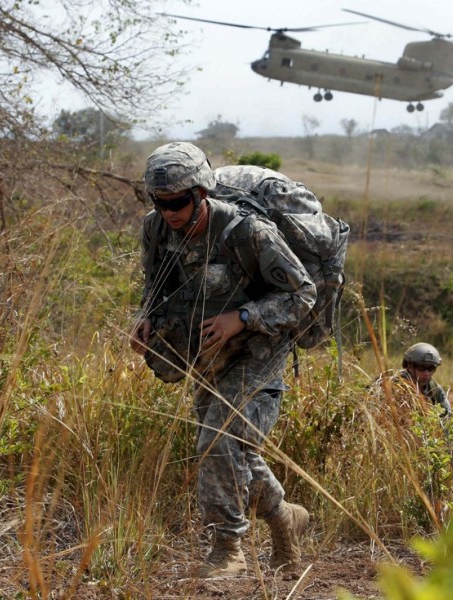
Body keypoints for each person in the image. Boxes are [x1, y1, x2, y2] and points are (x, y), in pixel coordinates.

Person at [129, 142, 317, 576]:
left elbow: (301, 293)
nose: (169, 212)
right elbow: (155, 286)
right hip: (207, 354)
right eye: (160, 202)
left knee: (216, 441)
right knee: (234, 450)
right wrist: (146, 318)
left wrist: (244, 316)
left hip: (259, 350)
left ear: (202, 193)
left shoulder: (249, 233)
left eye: (177, 202)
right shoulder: (155, 229)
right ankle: (284, 518)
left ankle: (228, 547)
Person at [378, 342, 451, 418]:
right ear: (409, 367)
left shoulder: (434, 389)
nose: (426, 373)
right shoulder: (394, 385)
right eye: (421, 368)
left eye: (431, 368)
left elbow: (447, 416)